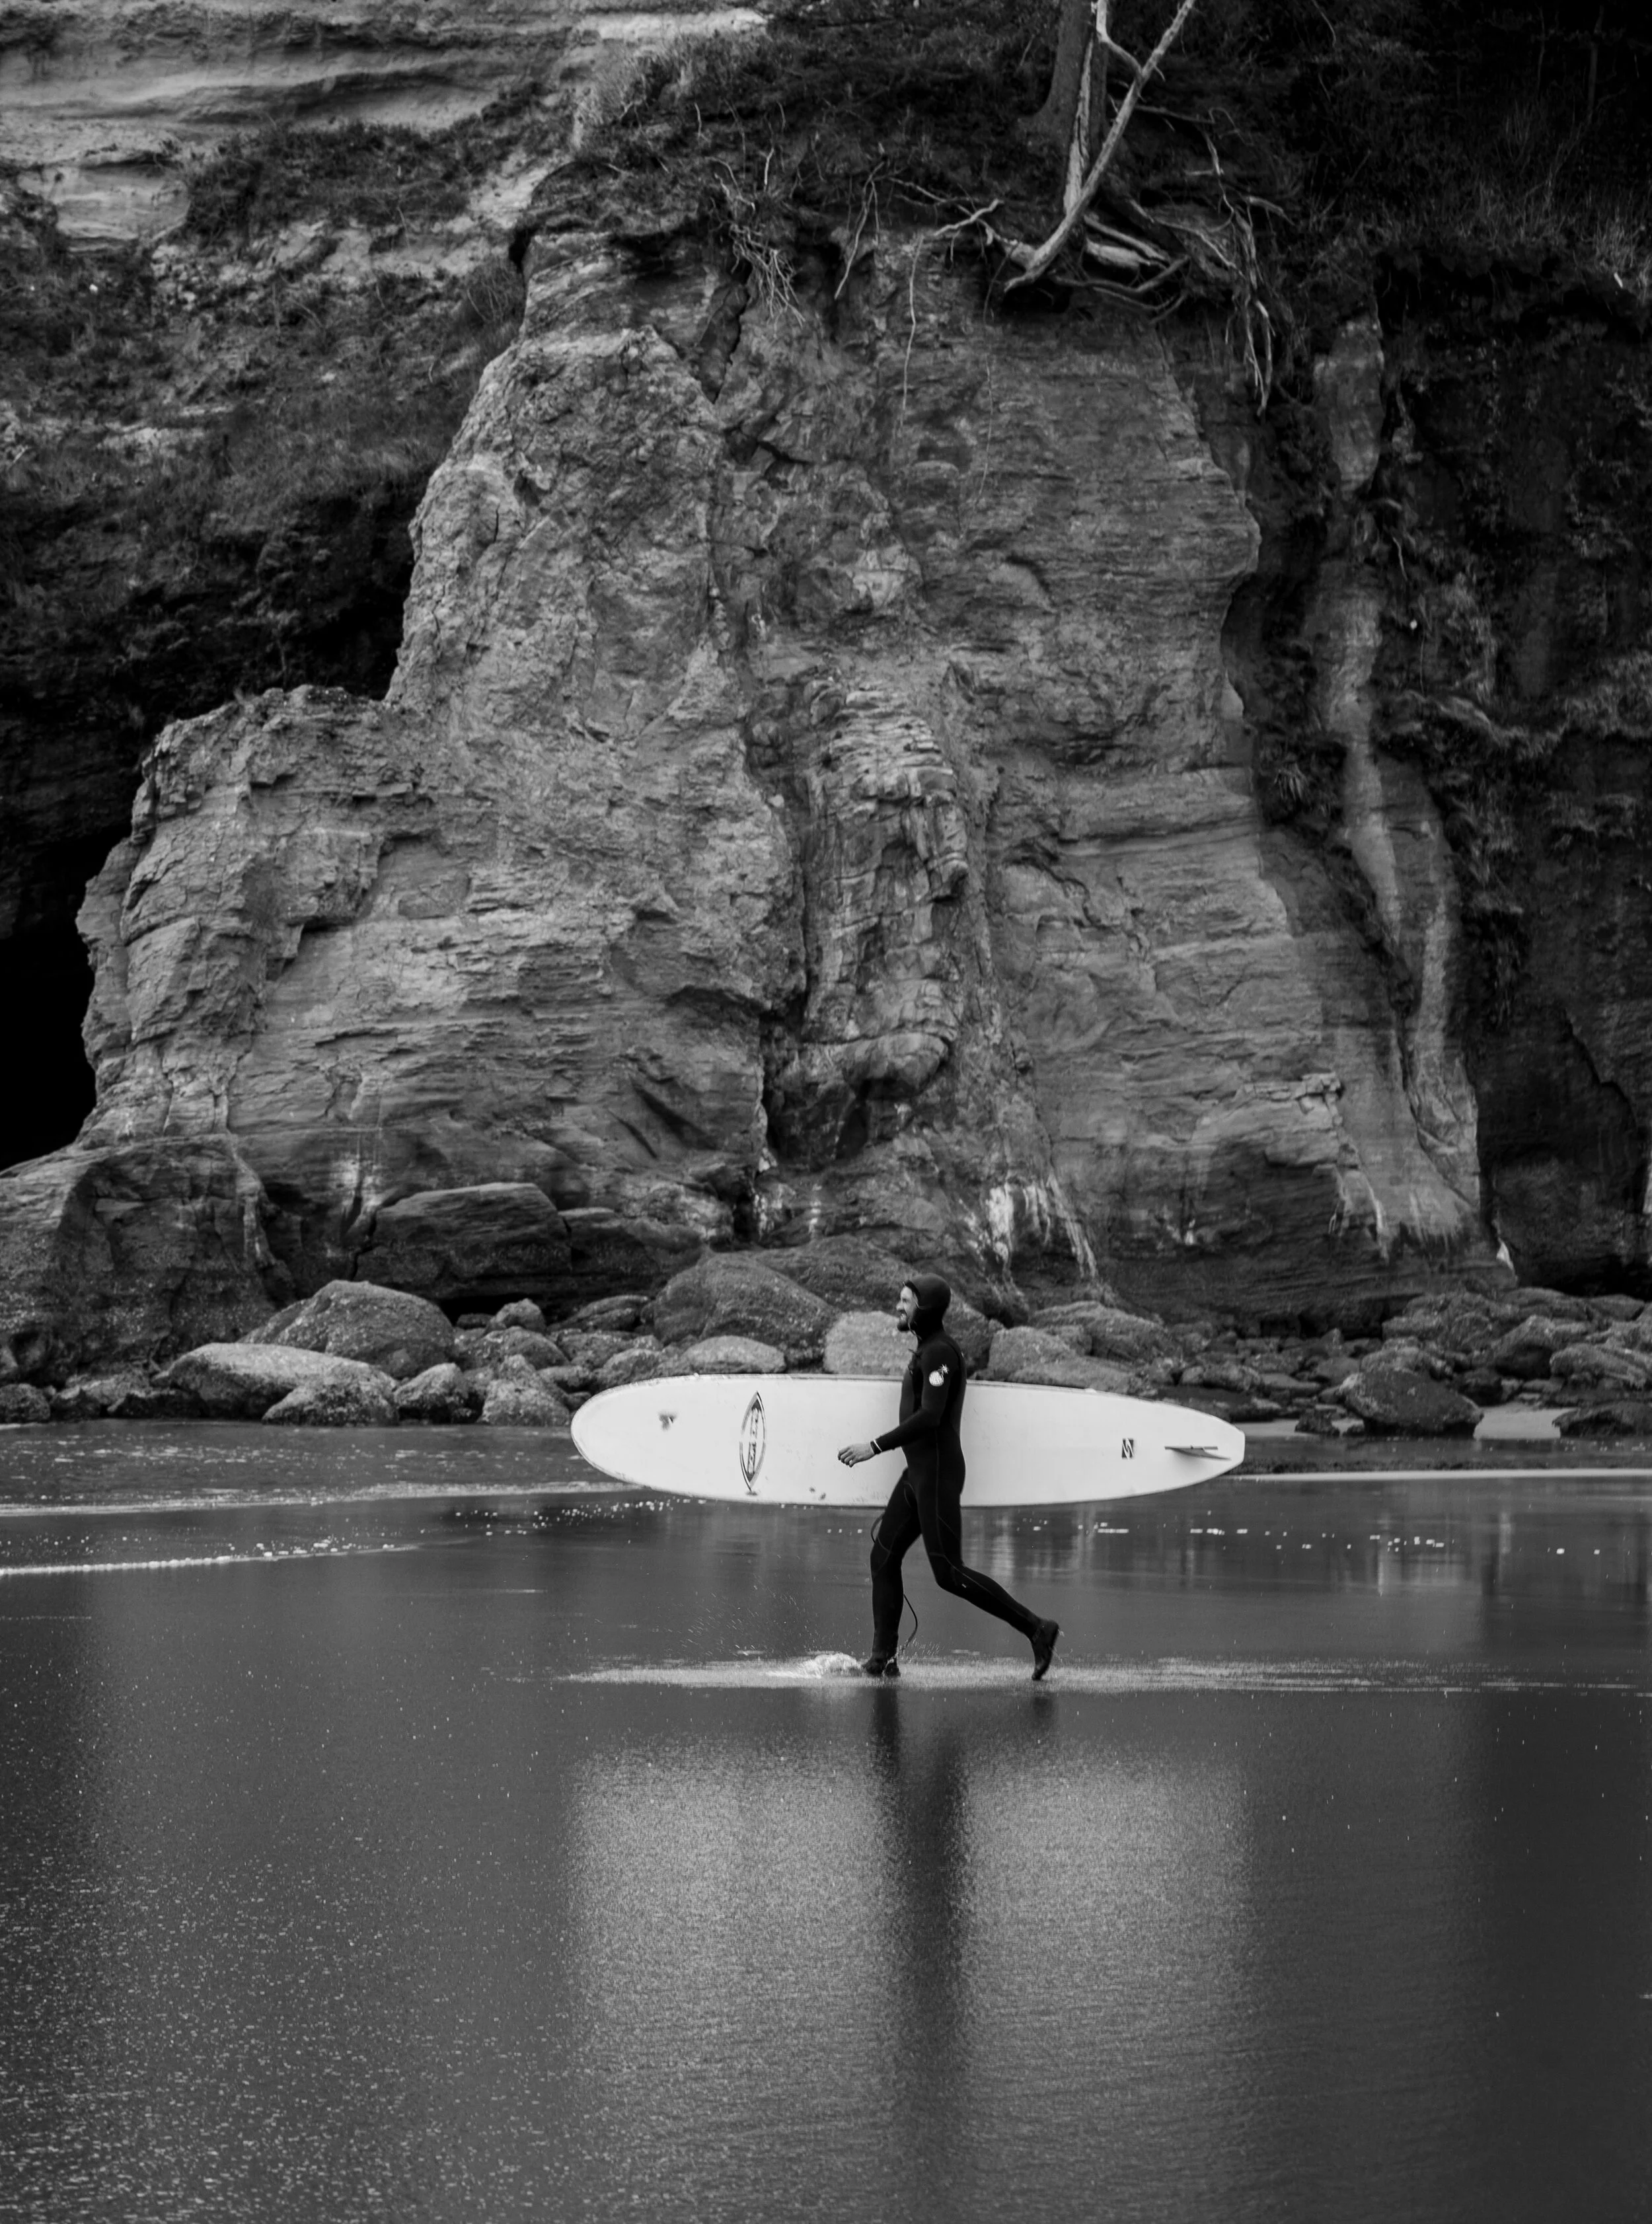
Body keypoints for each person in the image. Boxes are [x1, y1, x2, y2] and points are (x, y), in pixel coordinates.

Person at [838, 1273, 1059, 1682]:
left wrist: (874, 1446)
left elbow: (930, 1416)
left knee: (949, 1574)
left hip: (936, 1475)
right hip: (918, 1474)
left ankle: (1037, 1629)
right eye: (900, 1299)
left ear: (926, 1308)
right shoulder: (926, 1349)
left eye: (907, 1301)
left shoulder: (940, 1353)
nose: (899, 1307)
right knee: (883, 1557)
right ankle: (882, 1659)